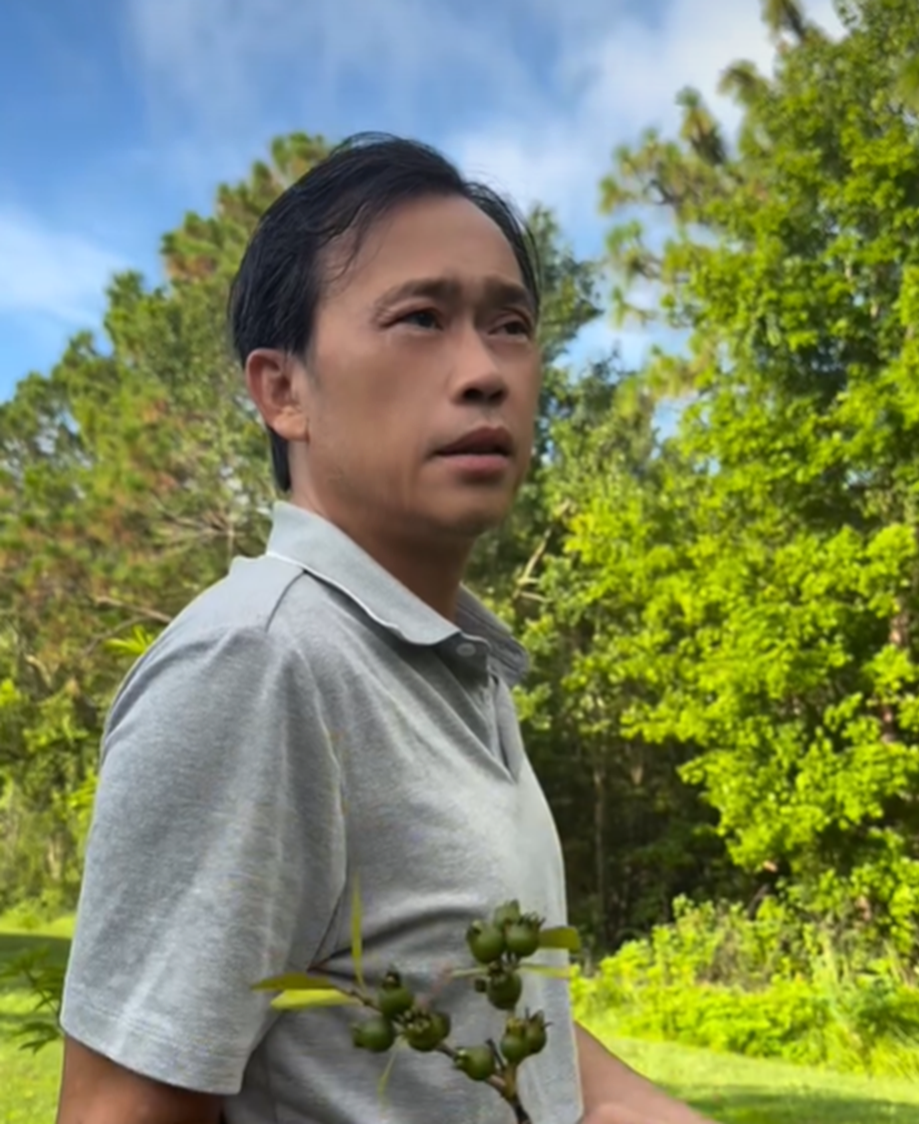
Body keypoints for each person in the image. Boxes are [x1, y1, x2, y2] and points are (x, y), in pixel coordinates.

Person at [55, 133, 715, 1124]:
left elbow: (478, 1007)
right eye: (420, 319)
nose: (484, 370)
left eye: (510, 325)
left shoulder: (455, 669)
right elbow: (120, 1110)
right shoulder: (261, 663)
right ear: (282, 391)